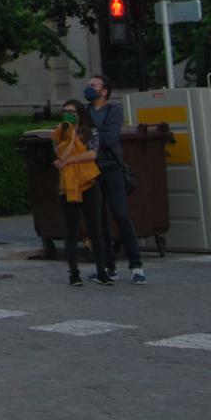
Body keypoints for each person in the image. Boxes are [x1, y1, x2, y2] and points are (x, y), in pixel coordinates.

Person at [84, 73, 146, 284]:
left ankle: (136, 266)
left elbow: (110, 139)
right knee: (98, 219)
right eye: (88, 84)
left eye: (93, 85)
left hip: (111, 168)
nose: (88, 87)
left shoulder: (114, 110)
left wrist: (92, 134)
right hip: (92, 169)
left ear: (104, 91)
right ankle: (107, 266)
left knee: (120, 214)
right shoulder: (86, 111)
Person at [51, 99, 109, 286]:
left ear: (80, 114)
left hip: (89, 182)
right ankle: (74, 274)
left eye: (73, 112)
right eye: (66, 111)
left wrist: (68, 161)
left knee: (95, 230)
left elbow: (92, 154)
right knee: (72, 230)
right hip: (68, 186)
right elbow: (61, 154)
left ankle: (102, 271)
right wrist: (70, 134)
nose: (69, 114)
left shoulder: (91, 132)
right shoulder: (59, 133)